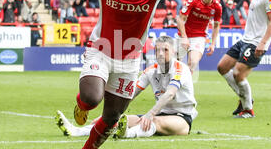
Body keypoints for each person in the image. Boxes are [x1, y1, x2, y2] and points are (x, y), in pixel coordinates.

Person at [0, 0, 253, 149]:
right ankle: (81, 106)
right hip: (101, 49)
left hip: (129, 61)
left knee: (112, 118)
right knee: (92, 98)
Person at [55, 36, 197, 138]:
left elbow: (169, 94)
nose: (160, 54)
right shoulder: (150, 71)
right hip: (161, 114)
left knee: (153, 120)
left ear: (173, 52)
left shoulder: (180, 69)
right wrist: (109, 114)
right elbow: (130, 93)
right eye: (157, 50)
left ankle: (127, 134)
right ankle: (75, 131)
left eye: (165, 50)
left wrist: (150, 114)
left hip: (182, 118)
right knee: (112, 120)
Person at [217, 0, 271, 118]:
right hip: (245, 39)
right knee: (222, 67)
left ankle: (248, 109)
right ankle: (246, 98)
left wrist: (263, 43)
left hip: (255, 42)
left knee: (238, 74)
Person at [176, 0, 222, 74]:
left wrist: (213, 44)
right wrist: (184, 37)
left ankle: (184, 84)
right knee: (174, 63)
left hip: (199, 37)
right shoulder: (193, 0)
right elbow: (180, 19)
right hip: (184, 34)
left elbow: (216, 26)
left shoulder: (217, 7)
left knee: (193, 62)